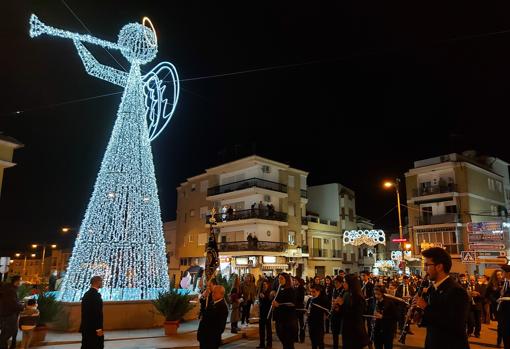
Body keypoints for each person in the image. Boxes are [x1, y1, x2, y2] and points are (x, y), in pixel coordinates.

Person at [414, 247, 470, 349]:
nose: (424, 269)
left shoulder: (456, 291)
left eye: (427, 265)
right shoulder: (433, 288)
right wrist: (420, 317)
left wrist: (425, 307)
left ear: (439, 266)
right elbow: (434, 319)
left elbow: (454, 324)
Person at [335, 274, 370, 349]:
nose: (343, 284)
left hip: (355, 330)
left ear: (351, 283)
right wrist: (338, 308)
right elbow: (344, 312)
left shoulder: (358, 297)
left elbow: (356, 315)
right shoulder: (346, 294)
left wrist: (342, 305)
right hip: (347, 328)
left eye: (345, 282)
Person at [272, 273, 298, 349]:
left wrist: (279, 304)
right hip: (279, 319)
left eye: (282, 278)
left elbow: (293, 304)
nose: (279, 280)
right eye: (279, 278)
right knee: (283, 340)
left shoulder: (291, 290)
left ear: (286, 280)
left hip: (288, 320)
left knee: (288, 342)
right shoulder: (279, 289)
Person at [80, 276, 104, 349]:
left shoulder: (87, 294)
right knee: (96, 345)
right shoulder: (95, 296)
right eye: (101, 281)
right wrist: (98, 328)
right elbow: (96, 313)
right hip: (93, 329)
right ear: (97, 282)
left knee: (86, 345)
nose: (102, 283)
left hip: (86, 327)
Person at [0, 275, 23, 349]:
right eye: (21, 280)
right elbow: (13, 304)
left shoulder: (8, 288)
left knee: (6, 333)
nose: (21, 282)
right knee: (6, 335)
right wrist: (22, 306)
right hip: (9, 315)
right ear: (17, 282)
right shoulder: (11, 290)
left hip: (6, 314)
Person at [307, 284, 330, 349]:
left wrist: (326, 314)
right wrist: (307, 312)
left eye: (314, 292)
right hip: (311, 322)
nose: (312, 293)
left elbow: (327, 311)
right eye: (311, 291)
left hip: (319, 323)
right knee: (313, 341)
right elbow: (307, 309)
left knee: (320, 341)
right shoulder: (310, 299)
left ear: (319, 291)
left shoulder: (322, 299)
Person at [258, 280, 273, 349]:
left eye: (266, 284)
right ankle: (262, 344)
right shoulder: (261, 292)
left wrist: (264, 297)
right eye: (263, 284)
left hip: (268, 312)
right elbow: (260, 303)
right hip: (261, 312)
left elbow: (270, 303)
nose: (265, 285)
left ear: (268, 285)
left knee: (268, 328)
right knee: (261, 329)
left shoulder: (270, 293)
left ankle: (269, 344)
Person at [331, 276, 344, 349]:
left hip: (340, 314)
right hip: (334, 313)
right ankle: (335, 346)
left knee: (342, 332)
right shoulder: (334, 289)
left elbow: (343, 302)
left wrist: (338, 307)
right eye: (334, 283)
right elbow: (333, 299)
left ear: (341, 283)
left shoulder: (343, 291)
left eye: (336, 283)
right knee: (334, 332)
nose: (335, 284)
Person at [295, 278, 306, 343]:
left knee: (301, 324)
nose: (294, 281)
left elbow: (301, 298)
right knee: (296, 324)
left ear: (299, 281)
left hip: (300, 308)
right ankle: (296, 338)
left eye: (296, 280)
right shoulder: (295, 288)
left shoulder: (301, 288)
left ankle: (302, 338)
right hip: (296, 308)